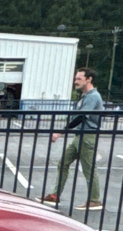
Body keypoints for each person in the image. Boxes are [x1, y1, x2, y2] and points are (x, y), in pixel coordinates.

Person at [43, 68, 103, 208]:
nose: (75, 81)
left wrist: (60, 132)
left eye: (79, 79)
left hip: (87, 136)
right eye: (75, 79)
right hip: (79, 135)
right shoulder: (84, 96)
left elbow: (81, 117)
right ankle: (55, 195)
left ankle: (94, 200)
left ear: (89, 79)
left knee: (89, 169)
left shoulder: (93, 97)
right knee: (63, 163)